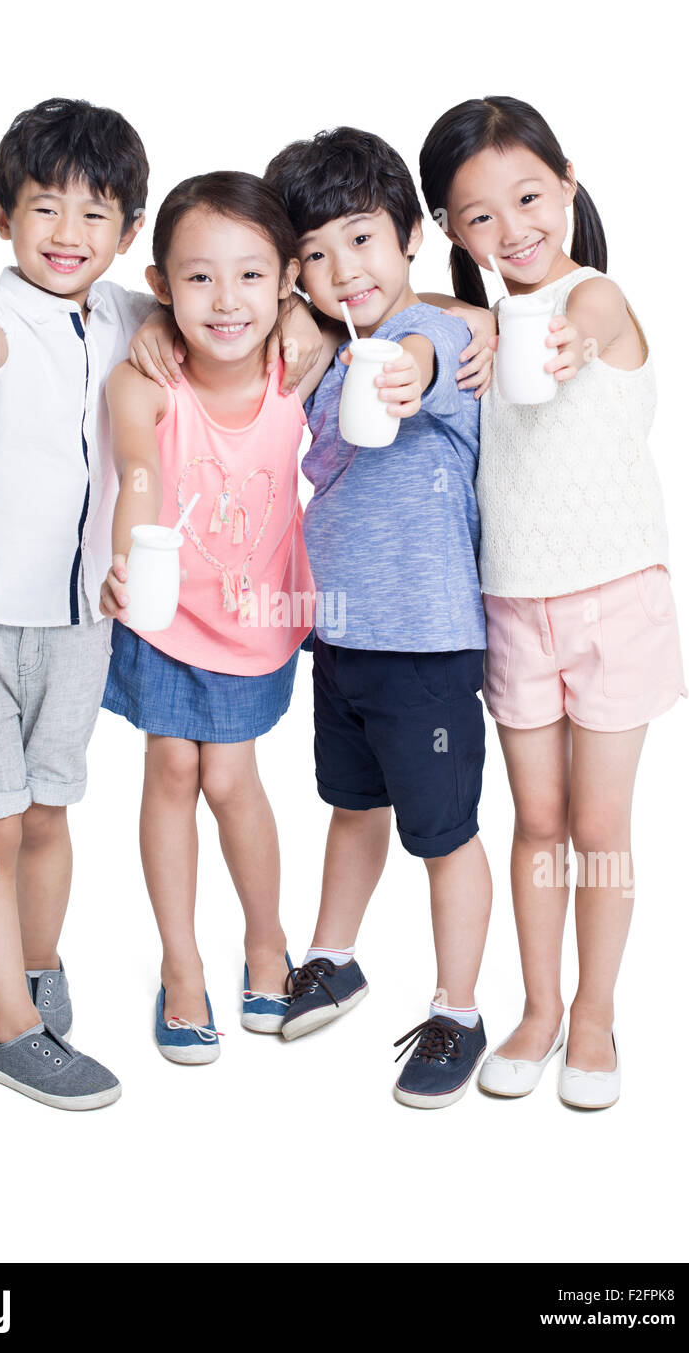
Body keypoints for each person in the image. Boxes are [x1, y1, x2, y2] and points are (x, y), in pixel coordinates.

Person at [99, 171, 425, 1063]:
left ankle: (265, 942)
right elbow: (137, 473)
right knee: (171, 770)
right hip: (163, 617)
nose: (226, 298)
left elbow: (405, 307)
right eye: (198, 278)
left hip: (257, 621)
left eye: (252, 274)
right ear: (161, 286)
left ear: (286, 278)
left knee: (232, 781)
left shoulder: (303, 362)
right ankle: (179, 965)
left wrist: (311, 319)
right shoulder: (146, 381)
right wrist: (129, 560)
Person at [419, 95, 686, 1108]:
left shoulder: (594, 299)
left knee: (598, 823)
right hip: (510, 607)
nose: (511, 228)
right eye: (476, 215)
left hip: (615, 599)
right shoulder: (482, 328)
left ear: (567, 184)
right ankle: (535, 1006)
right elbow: (429, 305)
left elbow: (582, 320)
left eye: (528, 196)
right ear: (450, 230)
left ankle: (593, 1014)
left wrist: (553, 340)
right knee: (535, 819)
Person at [0, 96, 154, 1109]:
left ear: (128, 232)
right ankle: (7, 1029)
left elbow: (241, 309)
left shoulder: (133, 315)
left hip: (79, 620)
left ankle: (37, 971)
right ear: (1, 215)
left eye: (94, 213)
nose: (67, 234)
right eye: (44, 208)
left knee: (50, 808)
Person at [263, 127, 495, 1108]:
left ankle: (457, 1008)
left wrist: (401, 364)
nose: (336, 268)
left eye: (358, 239)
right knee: (350, 805)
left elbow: (423, 352)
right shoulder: (320, 353)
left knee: (441, 832)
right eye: (311, 252)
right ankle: (333, 954)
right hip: (344, 639)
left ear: (405, 235)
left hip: (428, 645)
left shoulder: (430, 336)